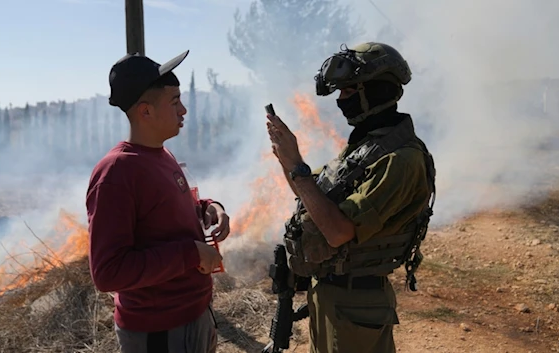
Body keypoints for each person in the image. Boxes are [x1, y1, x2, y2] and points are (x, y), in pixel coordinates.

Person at [265, 42, 436, 353]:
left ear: (375, 90)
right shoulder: (366, 148)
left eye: (347, 91)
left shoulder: (401, 160)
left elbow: (338, 231)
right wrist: (287, 158)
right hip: (332, 296)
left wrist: (297, 169)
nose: (341, 101)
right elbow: (313, 199)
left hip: (356, 305)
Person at [85, 50, 231, 353]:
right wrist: (190, 254)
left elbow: (170, 212)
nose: (184, 110)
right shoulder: (116, 173)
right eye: (175, 101)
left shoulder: (162, 155)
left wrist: (209, 209)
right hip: (159, 333)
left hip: (195, 316)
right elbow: (108, 272)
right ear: (145, 111)